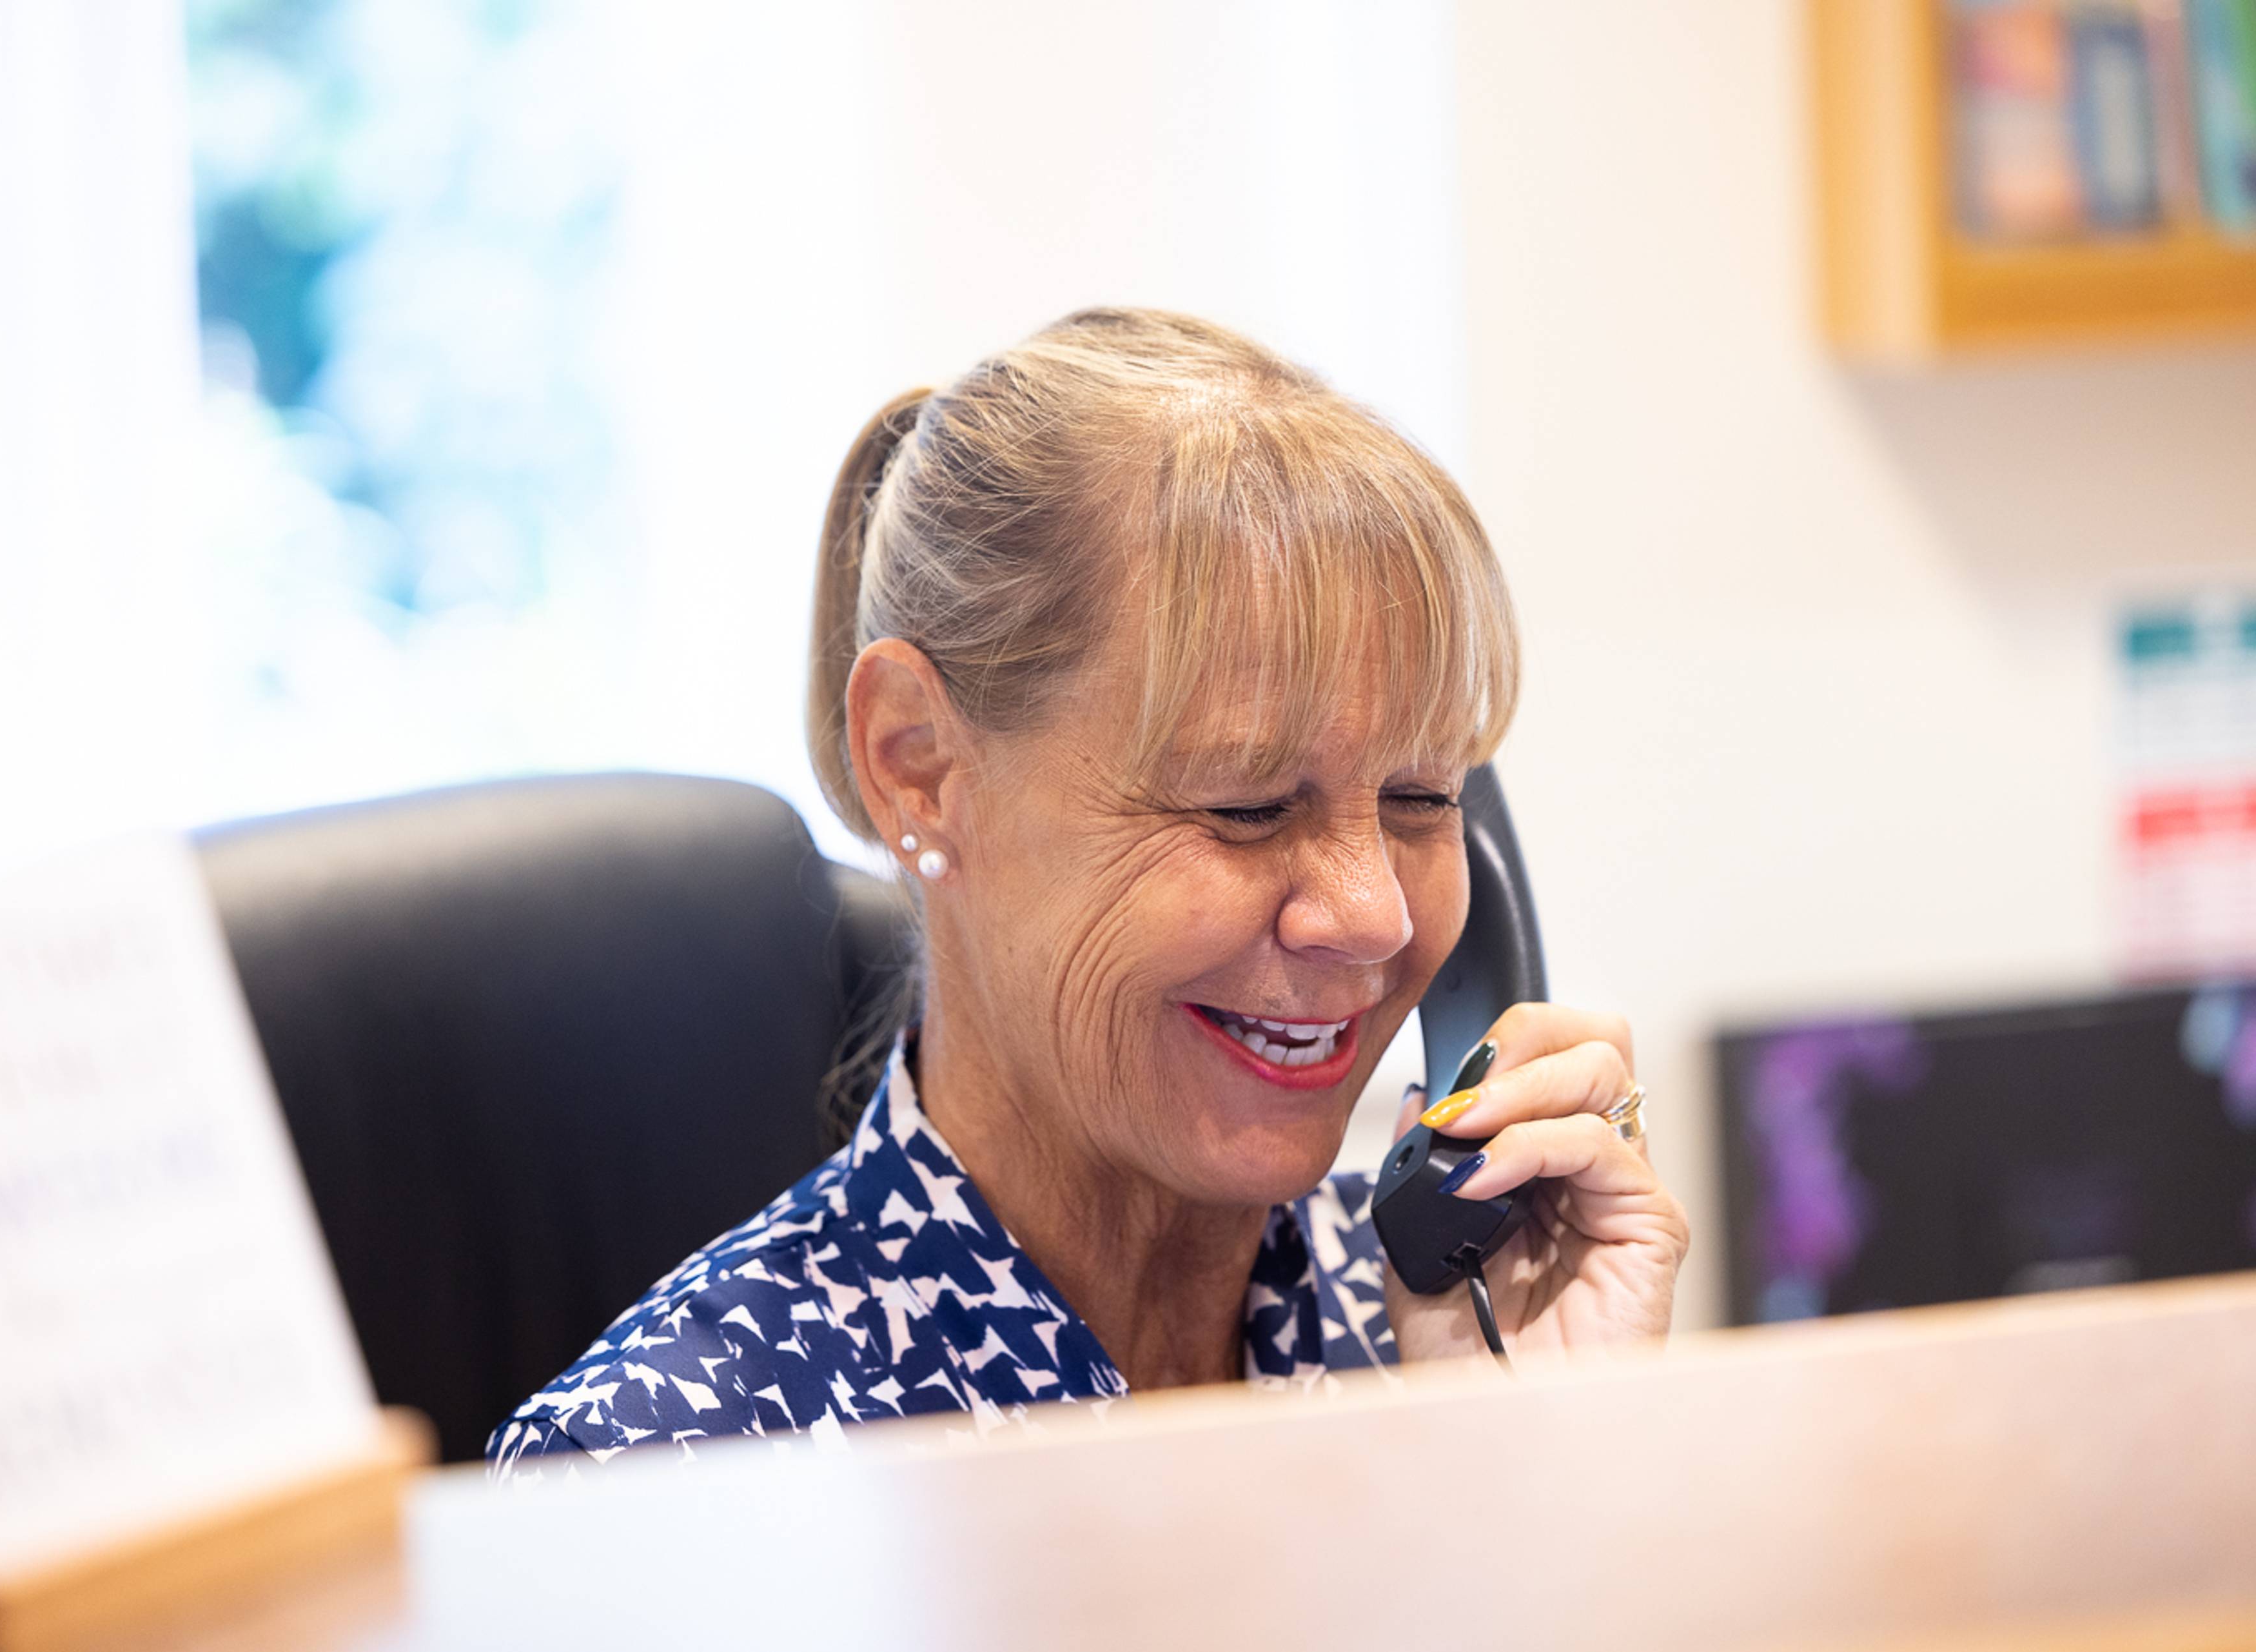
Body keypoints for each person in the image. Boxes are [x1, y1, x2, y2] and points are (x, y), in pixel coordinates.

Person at [487, 308, 1687, 1475]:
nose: (1376, 912)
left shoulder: (1438, 1333)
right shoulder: (658, 1479)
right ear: (922, 768)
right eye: (1249, 803)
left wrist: (1536, 1480)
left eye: (1422, 796)